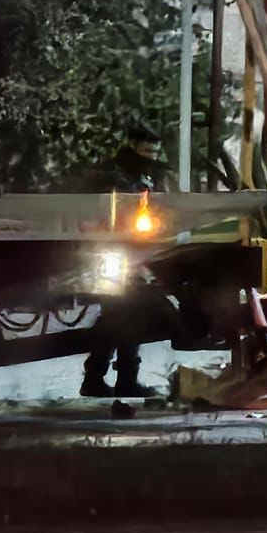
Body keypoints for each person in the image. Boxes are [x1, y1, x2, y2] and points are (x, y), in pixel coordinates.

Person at [79, 123, 169, 398]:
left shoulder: (148, 175)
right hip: (111, 255)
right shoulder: (110, 174)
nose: (151, 156)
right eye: (145, 150)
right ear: (131, 145)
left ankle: (105, 378)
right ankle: (115, 379)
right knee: (122, 316)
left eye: (154, 151)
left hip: (134, 255)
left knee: (121, 317)